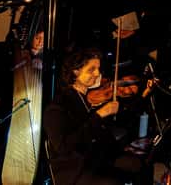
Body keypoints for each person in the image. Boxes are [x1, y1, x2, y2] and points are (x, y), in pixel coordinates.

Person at [44, 48, 142, 184]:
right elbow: (63, 147)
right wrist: (99, 115)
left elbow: (100, 135)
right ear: (75, 72)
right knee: (113, 181)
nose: (97, 73)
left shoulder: (86, 99)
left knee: (139, 164)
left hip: (94, 159)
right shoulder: (58, 106)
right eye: (91, 70)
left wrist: (122, 148)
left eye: (98, 69)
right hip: (74, 168)